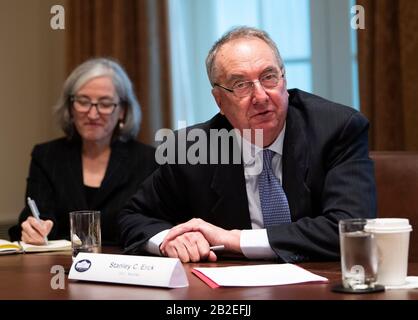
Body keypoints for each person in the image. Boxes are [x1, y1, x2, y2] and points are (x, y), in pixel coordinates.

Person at [118, 26, 376, 263]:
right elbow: (133, 217)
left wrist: (234, 240)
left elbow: (352, 227)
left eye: (269, 77)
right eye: (241, 85)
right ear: (219, 101)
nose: (261, 96)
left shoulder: (337, 129)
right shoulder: (190, 150)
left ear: (284, 80)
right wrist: (169, 240)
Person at [9, 58, 157, 245]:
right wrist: (32, 230)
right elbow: (35, 216)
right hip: (59, 269)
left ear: (122, 111)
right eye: (83, 101)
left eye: (105, 103)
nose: (93, 114)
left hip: (123, 269)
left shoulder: (148, 160)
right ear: (70, 107)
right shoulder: (46, 156)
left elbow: (152, 226)